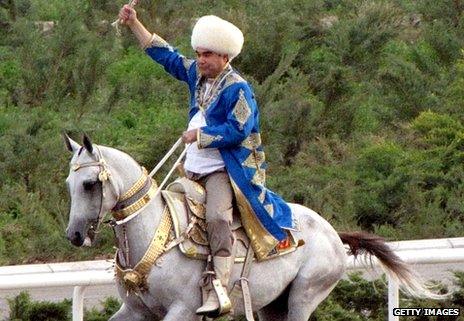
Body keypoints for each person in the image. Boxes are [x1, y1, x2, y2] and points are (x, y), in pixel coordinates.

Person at [118, 5, 293, 317]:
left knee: (217, 218)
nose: (200, 60)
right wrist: (135, 24)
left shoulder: (239, 89)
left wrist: (200, 136)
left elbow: (239, 130)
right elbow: (166, 55)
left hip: (223, 170)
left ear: (224, 57)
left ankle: (220, 286)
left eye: (207, 54)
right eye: (198, 53)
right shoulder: (196, 75)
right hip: (192, 168)